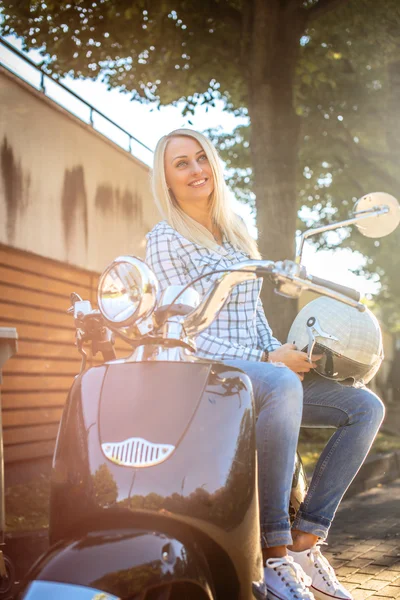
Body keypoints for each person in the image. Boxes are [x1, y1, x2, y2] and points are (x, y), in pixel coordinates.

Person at [145, 128, 385, 600]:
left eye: (201, 159)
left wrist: (288, 354)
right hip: (206, 372)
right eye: (182, 164)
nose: (197, 170)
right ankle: (273, 555)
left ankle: (305, 542)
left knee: (365, 408)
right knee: (279, 380)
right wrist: (266, 360)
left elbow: (254, 321)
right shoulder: (165, 239)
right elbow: (183, 326)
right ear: (167, 179)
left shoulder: (236, 231)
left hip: (265, 372)